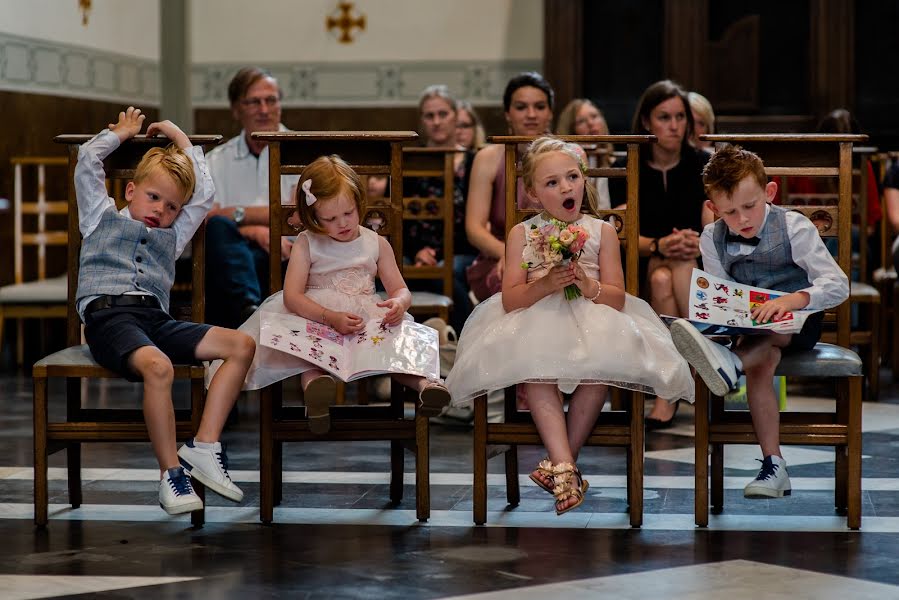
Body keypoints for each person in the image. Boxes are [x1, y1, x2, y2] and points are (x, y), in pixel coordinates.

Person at [446, 137, 693, 514]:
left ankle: (562, 467)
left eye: (572, 177)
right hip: (536, 318)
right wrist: (546, 283)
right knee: (537, 373)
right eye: (552, 183)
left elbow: (617, 296)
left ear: (584, 181)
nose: (566, 187)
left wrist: (586, 284)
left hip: (594, 317)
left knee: (598, 373)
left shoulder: (601, 232)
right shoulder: (521, 235)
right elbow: (512, 299)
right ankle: (567, 470)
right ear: (532, 194)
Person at [76, 107, 256, 515]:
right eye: (153, 197)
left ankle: (204, 446)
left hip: (156, 320)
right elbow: (87, 161)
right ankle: (170, 474)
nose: (161, 210)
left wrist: (182, 140)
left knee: (241, 344)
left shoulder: (172, 236)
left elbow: (205, 195)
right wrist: (120, 135)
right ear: (130, 192)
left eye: (172, 206)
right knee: (159, 368)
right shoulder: (98, 217)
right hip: (109, 317)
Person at [213, 155, 451, 433]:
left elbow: (399, 288)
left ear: (359, 202)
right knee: (310, 353)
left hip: (365, 318)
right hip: (317, 316)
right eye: (330, 218)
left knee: (393, 349)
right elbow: (292, 296)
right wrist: (328, 317)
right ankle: (316, 397)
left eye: (348, 213)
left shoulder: (375, 243)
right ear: (313, 216)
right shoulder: (307, 243)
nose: (342, 223)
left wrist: (399, 302)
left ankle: (426, 387)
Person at [669, 145, 848, 498]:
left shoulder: (794, 226)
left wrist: (794, 300)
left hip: (799, 321)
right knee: (762, 359)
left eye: (750, 207)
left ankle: (728, 366)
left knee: (766, 339)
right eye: (730, 212)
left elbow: (837, 284)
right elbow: (722, 292)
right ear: (713, 209)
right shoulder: (712, 237)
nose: (743, 220)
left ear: (769, 192)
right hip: (749, 329)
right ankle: (774, 464)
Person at [608, 79, 712, 428]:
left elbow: (714, 226)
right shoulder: (628, 164)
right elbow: (622, 234)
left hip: (692, 261)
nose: (674, 125)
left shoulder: (703, 163)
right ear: (646, 123)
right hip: (640, 259)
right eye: (664, 117)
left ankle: (669, 389)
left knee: (666, 277)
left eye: (680, 117)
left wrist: (696, 242)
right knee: (660, 270)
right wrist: (658, 245)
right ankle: (703, 368)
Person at [203, 67, 300, 329]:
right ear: (236, 110)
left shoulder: (302, 152)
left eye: (271, 100)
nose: (264, 109)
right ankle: (249, 314)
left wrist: (238, 214)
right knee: (219, 234)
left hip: (290, 256)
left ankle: (245, 322)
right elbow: (209, 218)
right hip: (234, 253)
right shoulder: (216, 161)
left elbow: (297, 216)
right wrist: (256, 231)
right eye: (253, 102)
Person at [465, 72, 555, 303]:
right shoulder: (488, 157)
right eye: (521, 107)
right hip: (501, 253)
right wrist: (511, 253)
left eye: (540, 106)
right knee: (509, 281)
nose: (531, 115)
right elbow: (474, 228)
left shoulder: (570, 155)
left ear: (550, 113)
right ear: (508, 114)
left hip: (560, 252)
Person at [404, 85, 476, 331]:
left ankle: (465, 333)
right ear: (422, 120)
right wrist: (418, 251)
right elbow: (400, 217)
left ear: (456, 116)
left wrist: (436, 253)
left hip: (461, 249)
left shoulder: (474, 161)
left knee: (451, 269)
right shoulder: (408, 161)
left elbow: (472, 219)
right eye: (429, 115)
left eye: (443, 114)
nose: (436, 121)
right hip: (417, 251)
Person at [555, 98, 612, 208]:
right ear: (570, 129)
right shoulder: (562, 166)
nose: (591, 123)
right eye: (581, 121)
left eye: (594, 116)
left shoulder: (616, 163)